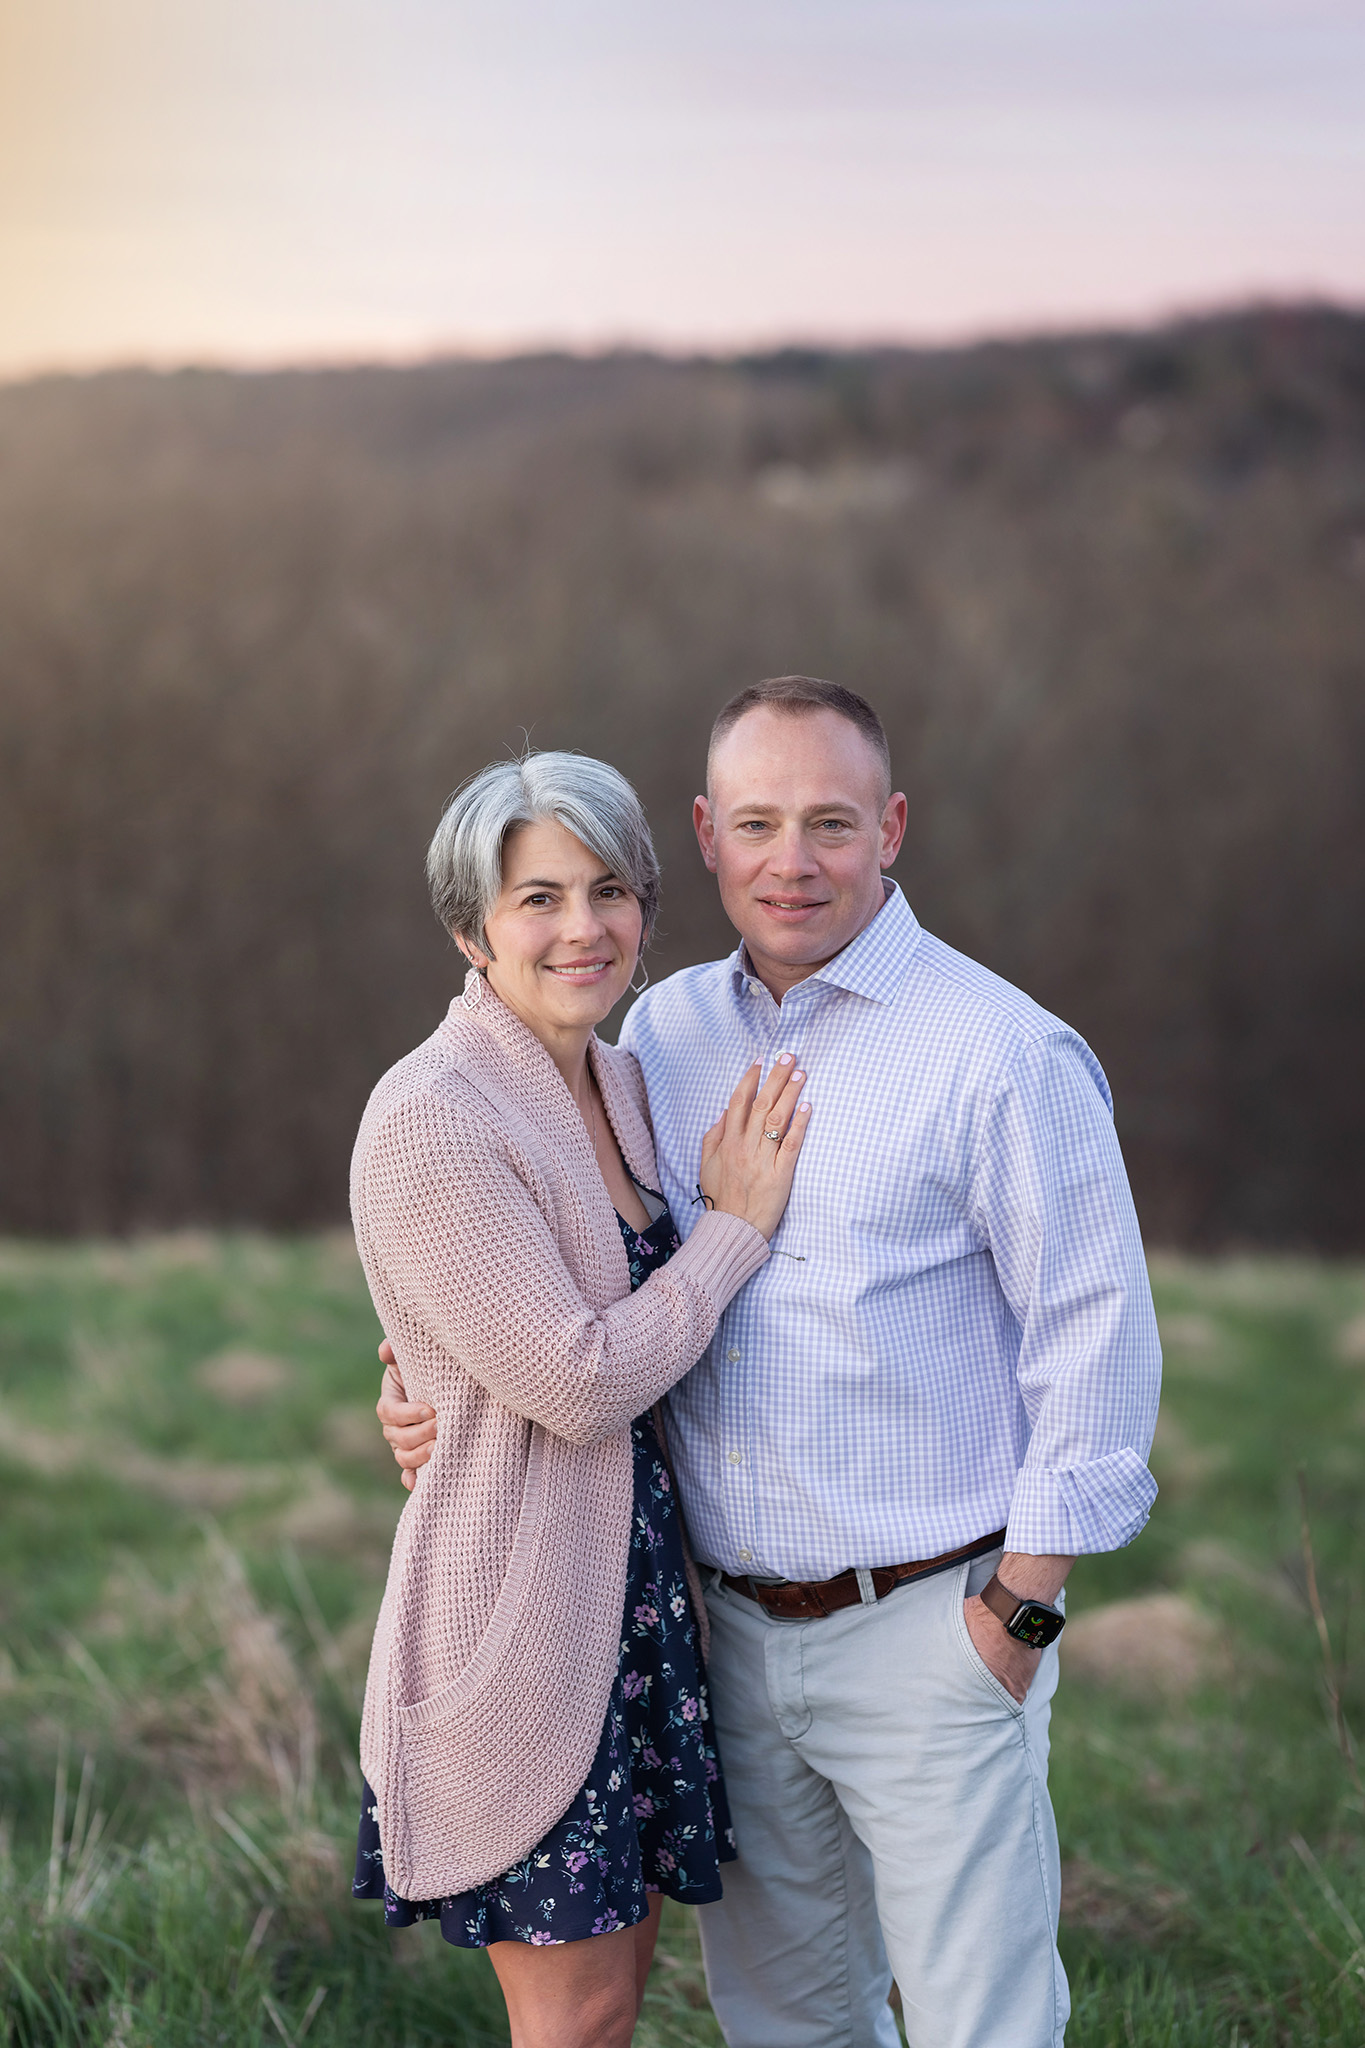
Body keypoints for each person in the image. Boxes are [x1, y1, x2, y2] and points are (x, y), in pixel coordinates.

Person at [379, 678, 1163, 2048]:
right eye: (755, 823)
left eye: (828, 822)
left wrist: (1018, 1619)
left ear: (892, 827)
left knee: (982, 2023)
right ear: (703, 834)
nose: (789, 861)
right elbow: (539, 1273)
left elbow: (1094, 1347)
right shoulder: (661, 1040)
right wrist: (424, 1388)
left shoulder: (997, 1053)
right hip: (720, 1637)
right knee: (788, 2022)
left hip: (931, 1626)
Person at [348, 748, 811, 2048]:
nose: (580, 929)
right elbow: (576, 1378)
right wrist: (734, 1230)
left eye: (608, 892)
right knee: (577, 2022)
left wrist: (421, 1387)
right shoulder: (432, 1114)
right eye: (536, 899)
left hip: (640, 1600)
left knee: (616, 2002)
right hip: (528, 1618)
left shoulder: (617, 1081)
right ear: (468, 926)